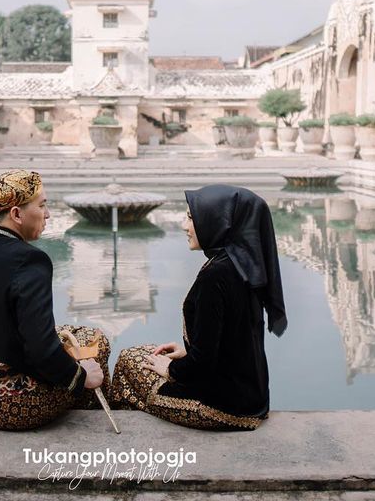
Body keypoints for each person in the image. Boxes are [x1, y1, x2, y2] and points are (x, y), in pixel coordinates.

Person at [0, 169, 109, 430]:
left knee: (64, 335)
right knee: (93, 343)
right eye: (42, 206)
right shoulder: (32, 261)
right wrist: (82, 377)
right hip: (19, 406)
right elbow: (42, 351)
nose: (48, 214)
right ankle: (90, 427)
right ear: (17, 214)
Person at [108, 184, 287, 430]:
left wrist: (170, 368)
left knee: (129, 361)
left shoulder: (215, 276)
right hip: (252, 397)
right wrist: (188, 350)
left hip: (223, 407)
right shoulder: (244, 265)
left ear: (219, 222)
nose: (184, 225)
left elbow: (201, 366)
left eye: (192, 218)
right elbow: (234, 340)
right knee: (144, 354)